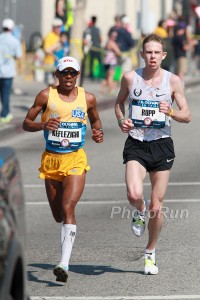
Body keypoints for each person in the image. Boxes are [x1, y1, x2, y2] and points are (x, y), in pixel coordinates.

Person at [115, 33, 191, 275]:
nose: (152, 56)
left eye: (157, 52)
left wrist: (171, 113)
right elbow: (119, 104)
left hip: (161, 144)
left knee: (157, 208)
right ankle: (139, 210)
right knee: (134, 193)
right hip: (137, 143)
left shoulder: (173, 81)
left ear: (163, 55)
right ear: (142, 54)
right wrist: (122, 120)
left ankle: (150, 253)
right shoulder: (130, 78)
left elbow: (187, 114)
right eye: (148, 52)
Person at [22, 56, 104, 282]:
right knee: (58, 214)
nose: (69, 77)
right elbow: (26, 123)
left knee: (68, 206)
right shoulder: (46, 95)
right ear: (57, 75)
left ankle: (63, 263)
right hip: (51, 161)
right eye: (64, 72)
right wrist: (42, 125)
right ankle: (64, 252)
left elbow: (95, 122)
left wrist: (97, 133)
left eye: (73, 73)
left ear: (77, 75)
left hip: (76, 159)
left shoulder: (88, 98)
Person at [0, 18, 22, 123]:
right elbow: (19, 55)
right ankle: (4, 115)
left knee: (2, 94)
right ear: (12, 28)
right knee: (6, 93)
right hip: (8, 72)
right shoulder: (14, 40)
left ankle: (7, 112)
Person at [43, 18, 63, 86]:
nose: (59, 29)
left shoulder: (58, 36)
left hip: (56, 63)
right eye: (57, 27)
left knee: (57, 84)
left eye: (60, 27)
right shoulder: (49, 36)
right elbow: (47, 50)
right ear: (53, 27)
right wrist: (56, 46)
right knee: (50, 84)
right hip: (49, 63)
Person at [100, 30, 121, 95]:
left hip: (106, 62)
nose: (115, 37)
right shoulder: (112, 43)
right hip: (111, 62)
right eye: (114, 36)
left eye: (116, 36)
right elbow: (118, 52)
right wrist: (118, 52)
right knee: (111, 77)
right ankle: (111, 90)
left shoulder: (107, 42)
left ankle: (102, 90)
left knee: (106, 77)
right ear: (110, 36)